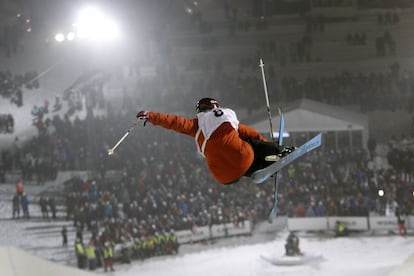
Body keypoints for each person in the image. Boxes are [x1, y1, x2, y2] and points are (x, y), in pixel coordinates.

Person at [136, 98, 294, 184]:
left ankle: (264, 167)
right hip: (243, 157)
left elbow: (173, 121)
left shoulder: (194, 125)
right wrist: (271, 146)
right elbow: (251, 134)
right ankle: (277, 154)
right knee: (250, 145)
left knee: (241, 166)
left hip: (224, 177)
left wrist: (150, 116)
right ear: (215, 106)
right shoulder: (226, 117)